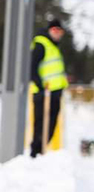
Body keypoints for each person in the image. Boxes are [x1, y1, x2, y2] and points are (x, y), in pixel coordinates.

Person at [29, 20, 69, 157]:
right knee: (40, 125)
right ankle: (35, 154)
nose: (58, 34)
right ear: (49, 30)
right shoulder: (41, 44)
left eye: (60, 32)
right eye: (55, 31)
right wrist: (41, 86)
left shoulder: (54, 47)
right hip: (44, 93)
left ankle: (41, 152)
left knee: (51, 125)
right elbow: (32, 68)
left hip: (55, 93)